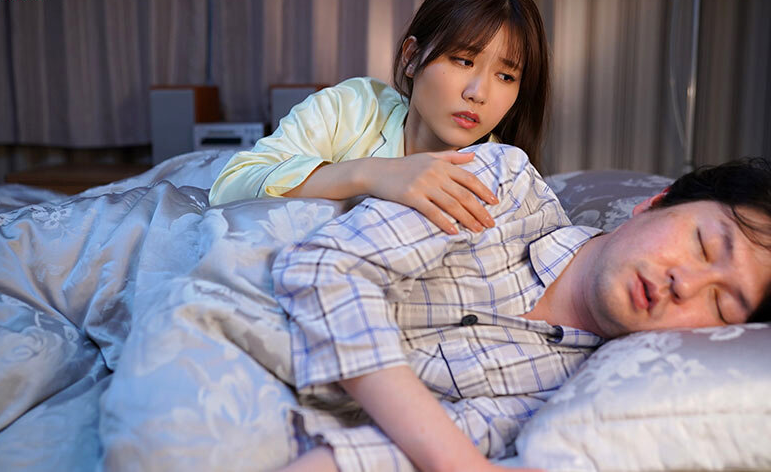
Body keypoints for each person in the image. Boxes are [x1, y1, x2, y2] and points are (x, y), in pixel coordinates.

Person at [264, 143, 771, 472]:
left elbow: (404, 451)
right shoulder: (501, 184)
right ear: (656, 202)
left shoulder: (569, 400)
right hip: (242, 299)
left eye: (721, 303)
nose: (686, 284)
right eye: (704, 245)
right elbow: (325, 268)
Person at [209, 0, 550, 235]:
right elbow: (229, 188)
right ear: (412, 57)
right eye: (464, 60)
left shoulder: (505, 177)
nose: (478, 93)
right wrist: (371, 173)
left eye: (506, 77)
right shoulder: (352, 108)